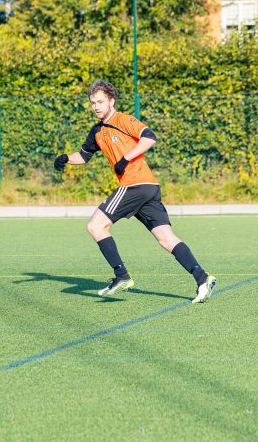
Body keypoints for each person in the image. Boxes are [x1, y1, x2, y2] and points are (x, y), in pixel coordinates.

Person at [54, 80, 216, 303]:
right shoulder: (97, 131)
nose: (96, 106)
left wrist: (126, 158)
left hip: (135, 184)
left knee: (95, 225)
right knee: (165, 238)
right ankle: (202, 278)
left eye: (100, 101)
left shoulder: (123, 120)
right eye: (92, 103)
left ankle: (121, 276)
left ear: (112, 101)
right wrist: (65, 159)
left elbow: (149, 138)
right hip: (148, 188)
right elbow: (84, 156)